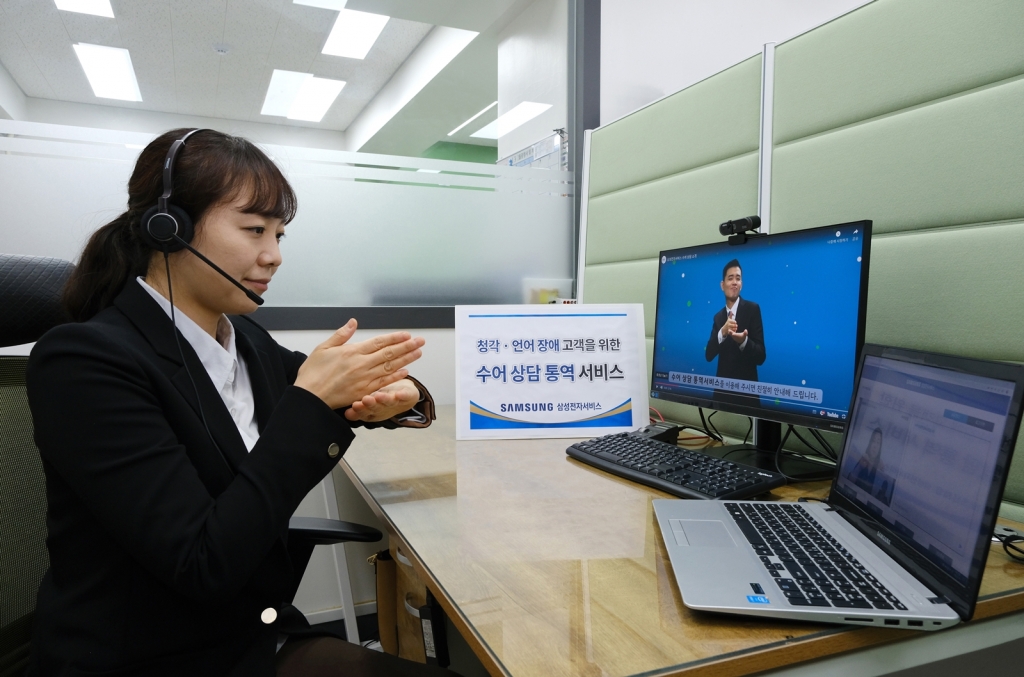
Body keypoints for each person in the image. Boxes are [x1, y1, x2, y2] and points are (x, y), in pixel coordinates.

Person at [26, 128, 434, 676]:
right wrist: (313, 401)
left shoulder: (245, 342)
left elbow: (333, 391)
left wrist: (403, 396)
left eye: (280, 235)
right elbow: (203, 563)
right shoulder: (83, 362)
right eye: (254, 229)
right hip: (151, 658)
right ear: (168, 227)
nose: (274, 256)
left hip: (249, 636)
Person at [704, 259, 766, 405]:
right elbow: (709, 355)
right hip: (722, 396)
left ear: (741, 284)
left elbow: (761, 356)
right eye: (730, 278)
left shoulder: (752, 310)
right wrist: (723, 332)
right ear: (722, 285)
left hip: (747, 396)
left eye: (738, 278)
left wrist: (744, 342)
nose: (734, 282)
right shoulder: (718, 317)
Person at [850, 427, 895, 505]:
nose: (875, 446)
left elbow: (880, 496)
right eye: (873, 441)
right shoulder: (863, 459)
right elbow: (849, 482)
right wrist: (860, 466)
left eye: (878, 442)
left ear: (880, 446)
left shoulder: (880, 466)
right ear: (870, 443)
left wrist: (880, 474)